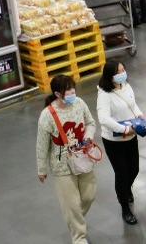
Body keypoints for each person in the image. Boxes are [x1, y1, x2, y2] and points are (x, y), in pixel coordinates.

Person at [36, 74, 97, 244]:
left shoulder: (79, 104)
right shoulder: (47, 116)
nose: (72, 92)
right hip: (61, 166)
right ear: (57, 94)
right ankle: (79, 237)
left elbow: (90, 123)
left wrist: (88, 136)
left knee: (89, 196)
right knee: (72, 204)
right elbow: (41, 145)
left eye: (73, 88)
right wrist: (41, 169)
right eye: (68, 89)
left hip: (83, 159)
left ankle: (75, 220)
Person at [96, 61, 144, 226]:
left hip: (131, 136)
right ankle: (125, 207)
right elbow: (103, 119)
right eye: (119, 72)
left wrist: (139, 115)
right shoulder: (104, 95)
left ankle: (124, 190)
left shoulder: (126, 86)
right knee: (122, 174)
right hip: (114, 141)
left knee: (134, 169)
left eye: (123, 69)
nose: (123, 73)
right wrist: (124, 130)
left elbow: (132, 104)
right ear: (110, 76)